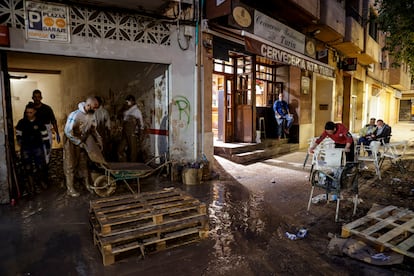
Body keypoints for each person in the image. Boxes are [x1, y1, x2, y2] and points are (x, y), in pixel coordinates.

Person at [63, 96, 102, 197]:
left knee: (84, 164)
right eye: (94, 107)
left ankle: (87, 185)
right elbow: (68, 131)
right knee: (70, 165)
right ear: (88, 105)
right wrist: (79, 143)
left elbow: (93, 129)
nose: (96, 109)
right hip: (71, 141)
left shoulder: (92, 115)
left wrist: (99, 139)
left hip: (83, 140)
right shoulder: (75, 115)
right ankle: (70, 189)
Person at [16, 102, 50, 196]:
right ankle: (31, 187)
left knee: (40, 166)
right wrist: (19, 140)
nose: (29, 114)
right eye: (27, 112)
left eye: (30, 112)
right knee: (28, 168)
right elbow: (18, 133)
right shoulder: (22, 122)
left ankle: (41, 182)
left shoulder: (39, 122)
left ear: (34, 112)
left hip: (37, 147)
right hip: (26, 148)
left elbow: (45, 135)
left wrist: (47, 146)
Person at [31, 89, 60, 164]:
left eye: (38, 97)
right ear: (32, 98)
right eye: (35, 97)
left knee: (47, 150)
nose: (37, 99)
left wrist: (57, 133)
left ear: (41, 98)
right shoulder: (30, 109)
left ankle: (45, 166)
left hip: (46, 131)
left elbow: (53, 121)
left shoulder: (47, 108)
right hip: (34, 132)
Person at [117, 95, 144, 162]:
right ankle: (123, 165)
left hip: (132, 133)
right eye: (126, 102)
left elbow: (141, 124)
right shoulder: (127, 110)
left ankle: (133, 167)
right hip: (125, 132)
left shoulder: (137, 111)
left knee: (133, 151)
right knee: (120, 150)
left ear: (132, 101)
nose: (126, 103)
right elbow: (122, 120)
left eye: (128, 101)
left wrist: (140, 135)